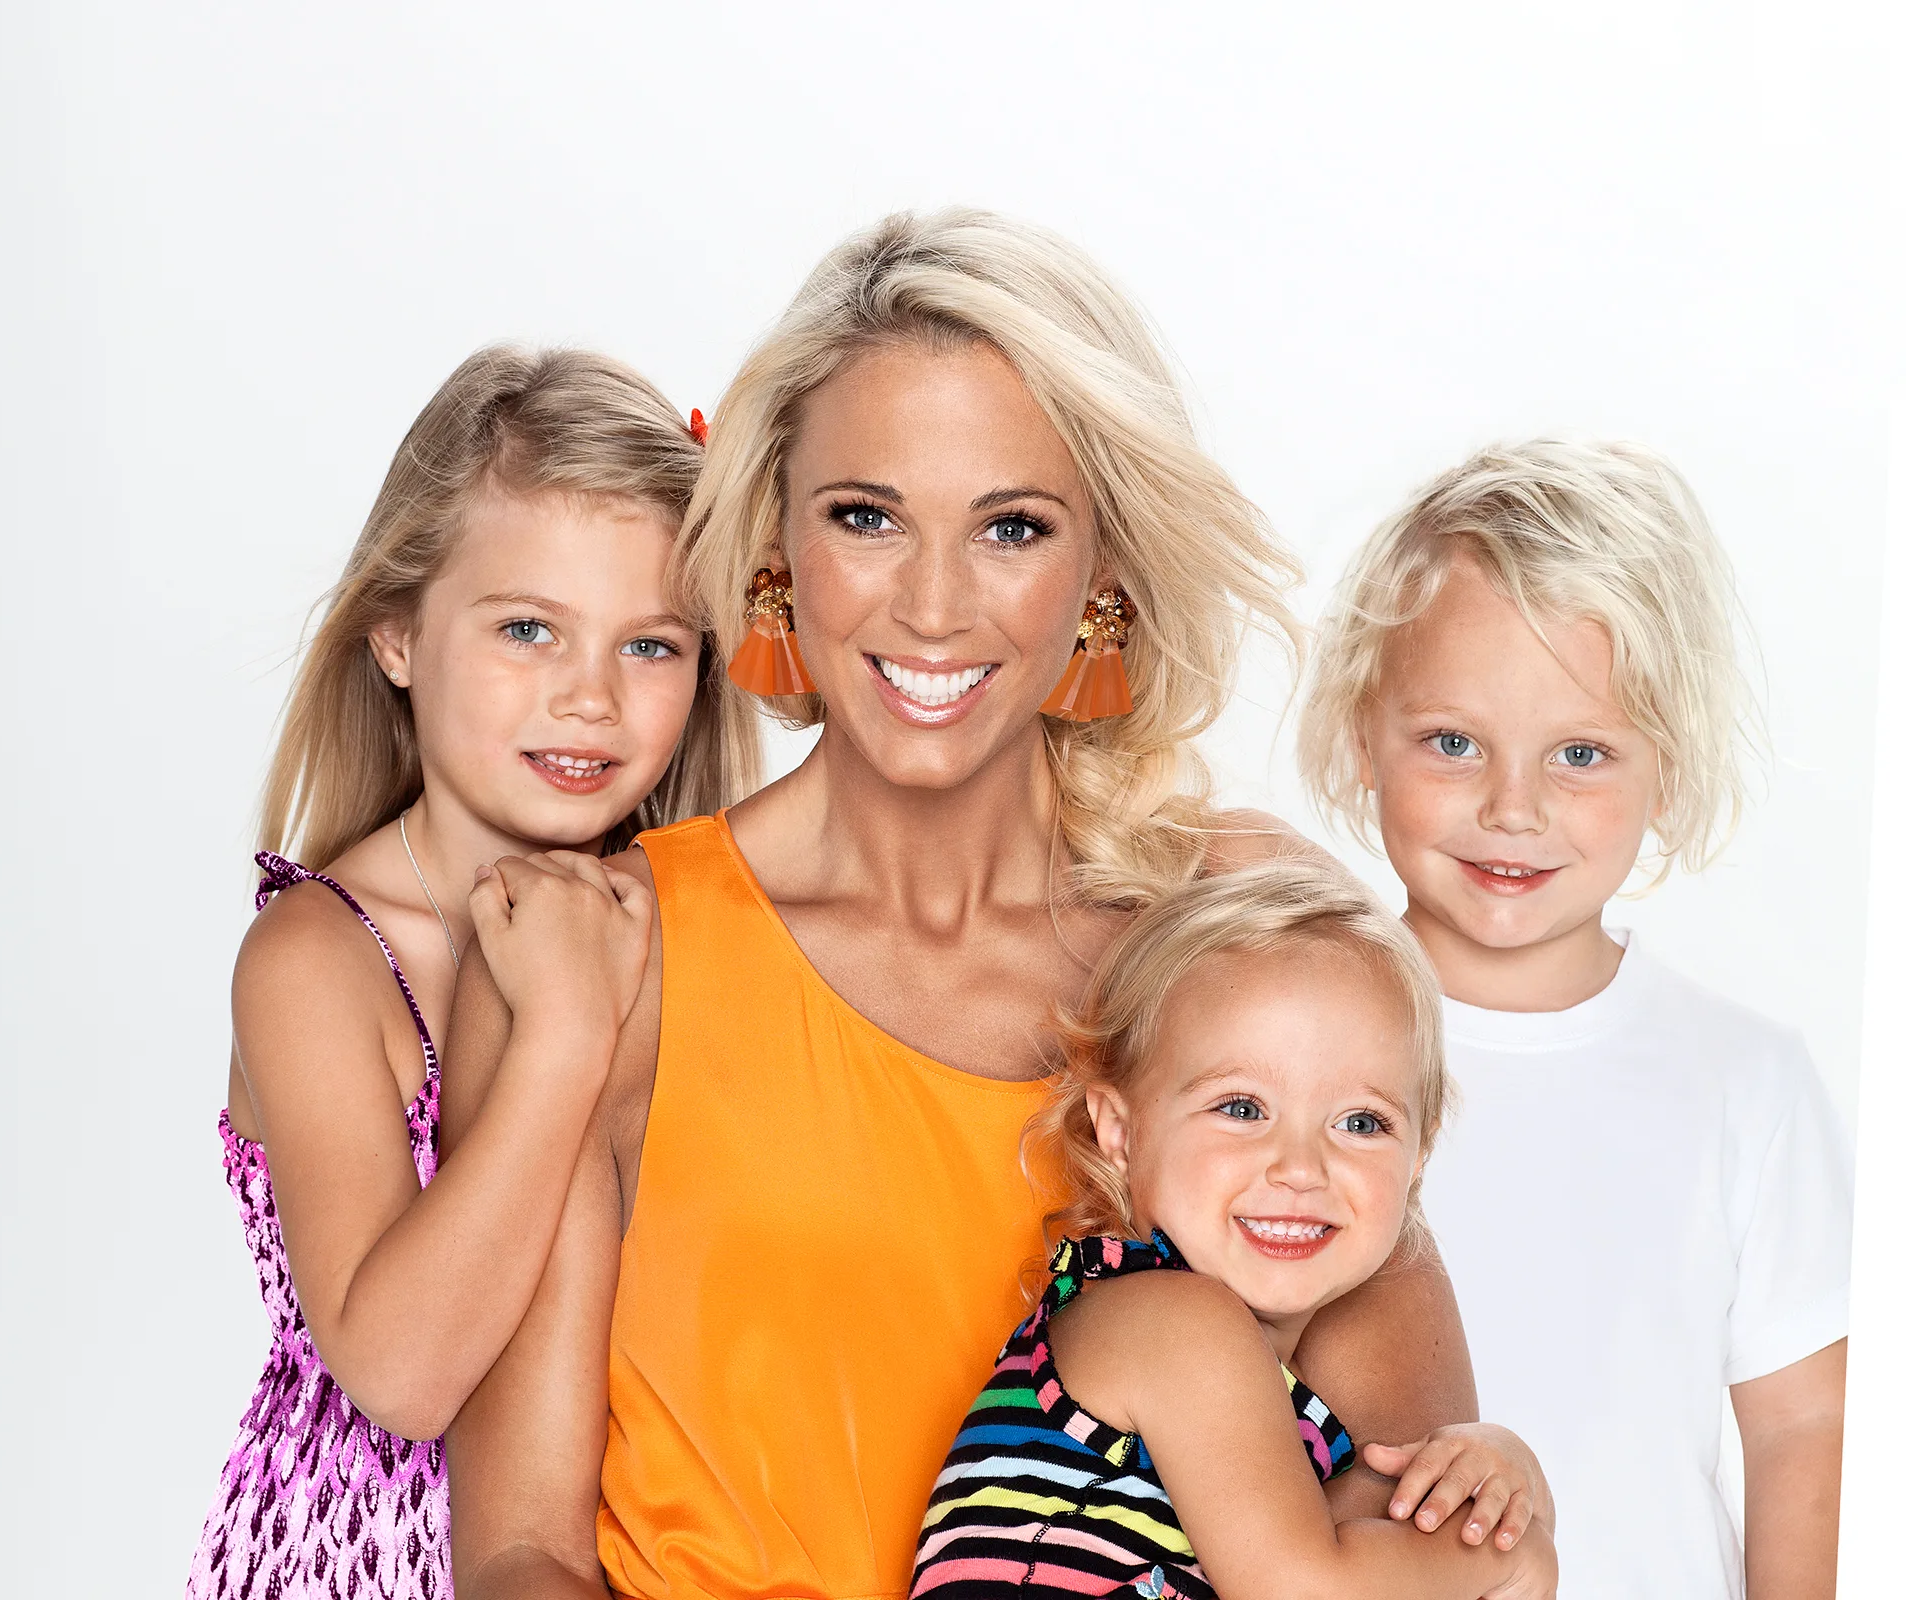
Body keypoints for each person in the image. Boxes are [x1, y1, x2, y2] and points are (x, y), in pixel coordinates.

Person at [443, 210, 1538, 1600]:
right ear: (777, 539)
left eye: (1012, 527)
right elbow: (521, 1554)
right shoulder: (610, 955)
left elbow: (1412, 1503)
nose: (936, 606)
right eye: (867, 518)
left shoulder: (1244, 930)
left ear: (1101, 578)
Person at [187, 347, 756, 1600]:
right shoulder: (321, 959)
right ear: (396, 631)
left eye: (651, 646)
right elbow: (402, 1368)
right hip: (359, 1562)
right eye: (527, 628)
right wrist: (560, 1033)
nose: (591, 698)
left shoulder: (701, 934)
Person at [1297, 437, 1852, 1600]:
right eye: (1453, 743)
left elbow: (1803, 1426)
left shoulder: (1744, 1082)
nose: (1512, 807)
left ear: (1668, 760)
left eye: (1581, 753)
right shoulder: (1288, 1039)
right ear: (1364, 733)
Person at [911, 861, 1556, 1600]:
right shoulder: (1169, 1321)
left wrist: (1499, 1467)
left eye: (1361, 1122)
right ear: (1121, 1130)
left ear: (1419, 1157)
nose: (1301, 1166)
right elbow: (1305, 1591)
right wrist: (1510, 1556)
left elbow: (1376, 1534)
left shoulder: (1274, 1401)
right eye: (1242, 1108)